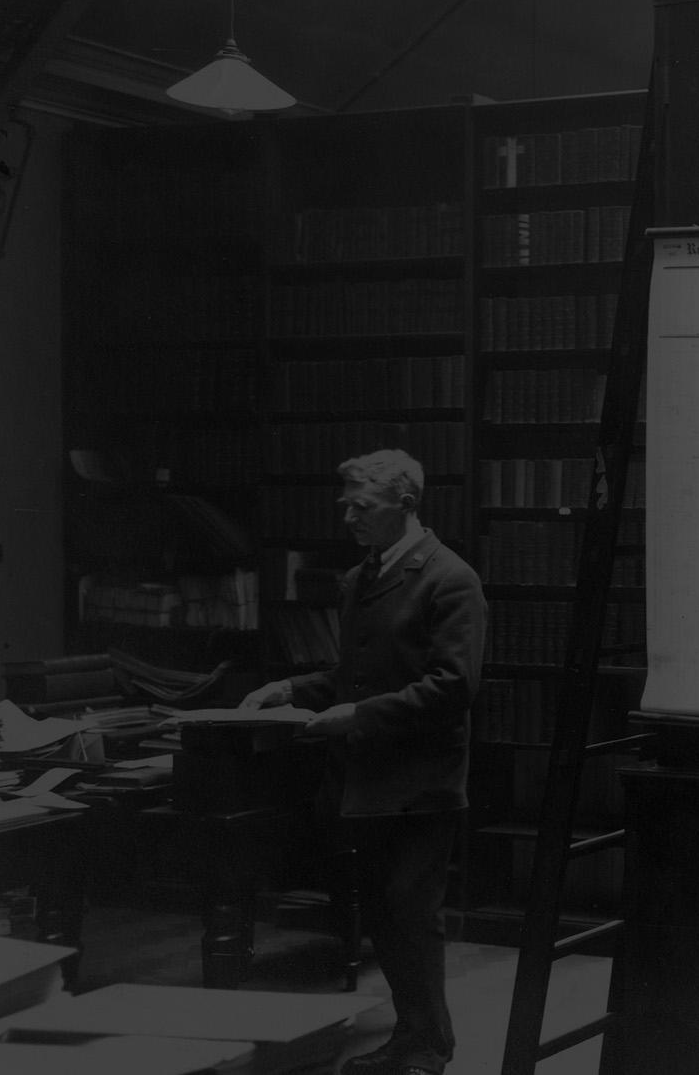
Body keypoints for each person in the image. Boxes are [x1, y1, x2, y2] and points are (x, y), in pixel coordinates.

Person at [241, 450, 486, 1075]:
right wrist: (291, 690)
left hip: (422, 782)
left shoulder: (451, 579)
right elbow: (353, 677)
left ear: (405, 506)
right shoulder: (360, 580)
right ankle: (410, 1038)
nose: (347, 516)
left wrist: (356, 717)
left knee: (411, 910)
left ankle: (431, 1047)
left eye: (362, 506)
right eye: (344, 504)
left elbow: (453, 688)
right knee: (383, 909)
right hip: (364, 779)